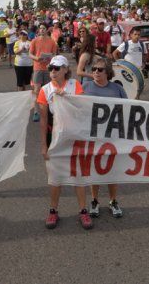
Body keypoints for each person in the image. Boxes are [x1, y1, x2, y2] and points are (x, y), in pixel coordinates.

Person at [37, 56, 90, 230]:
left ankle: (83, 210)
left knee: (78, 174)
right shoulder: (45, 90)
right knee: (55, 177)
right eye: (51, 68)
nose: (52, 71)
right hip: (56, 137)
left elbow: (83, 108)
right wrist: (44, 145)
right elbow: (44, 119)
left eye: (57, 68)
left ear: (66, 69)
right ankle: (53, 210)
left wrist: (66, 97)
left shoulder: (74, 85)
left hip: (75, 136)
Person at [82, 57, 126, 219]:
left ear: (108, 72)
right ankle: (94, 200)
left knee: (112, 170)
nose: (95, 72)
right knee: (95, 169)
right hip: (92, 136)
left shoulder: (117, 89)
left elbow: (128, 110)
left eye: (99, 69)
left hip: (112, 136)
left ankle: (113, 201)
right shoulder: (85, 86)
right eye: (93, 69)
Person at [29, 24, 58, 122]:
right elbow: (30, 54)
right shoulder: (34, 40)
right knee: (37, 90)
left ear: (47, 30)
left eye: (43, 28)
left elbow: (54, 54)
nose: (42, 30)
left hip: (48, 68)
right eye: (40, 28)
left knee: (48, 90)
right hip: (37, 68)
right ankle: (36, 111)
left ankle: (47, 110)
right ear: (38, 30)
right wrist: (36, 58)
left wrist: (50, 58)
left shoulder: (52, 41)